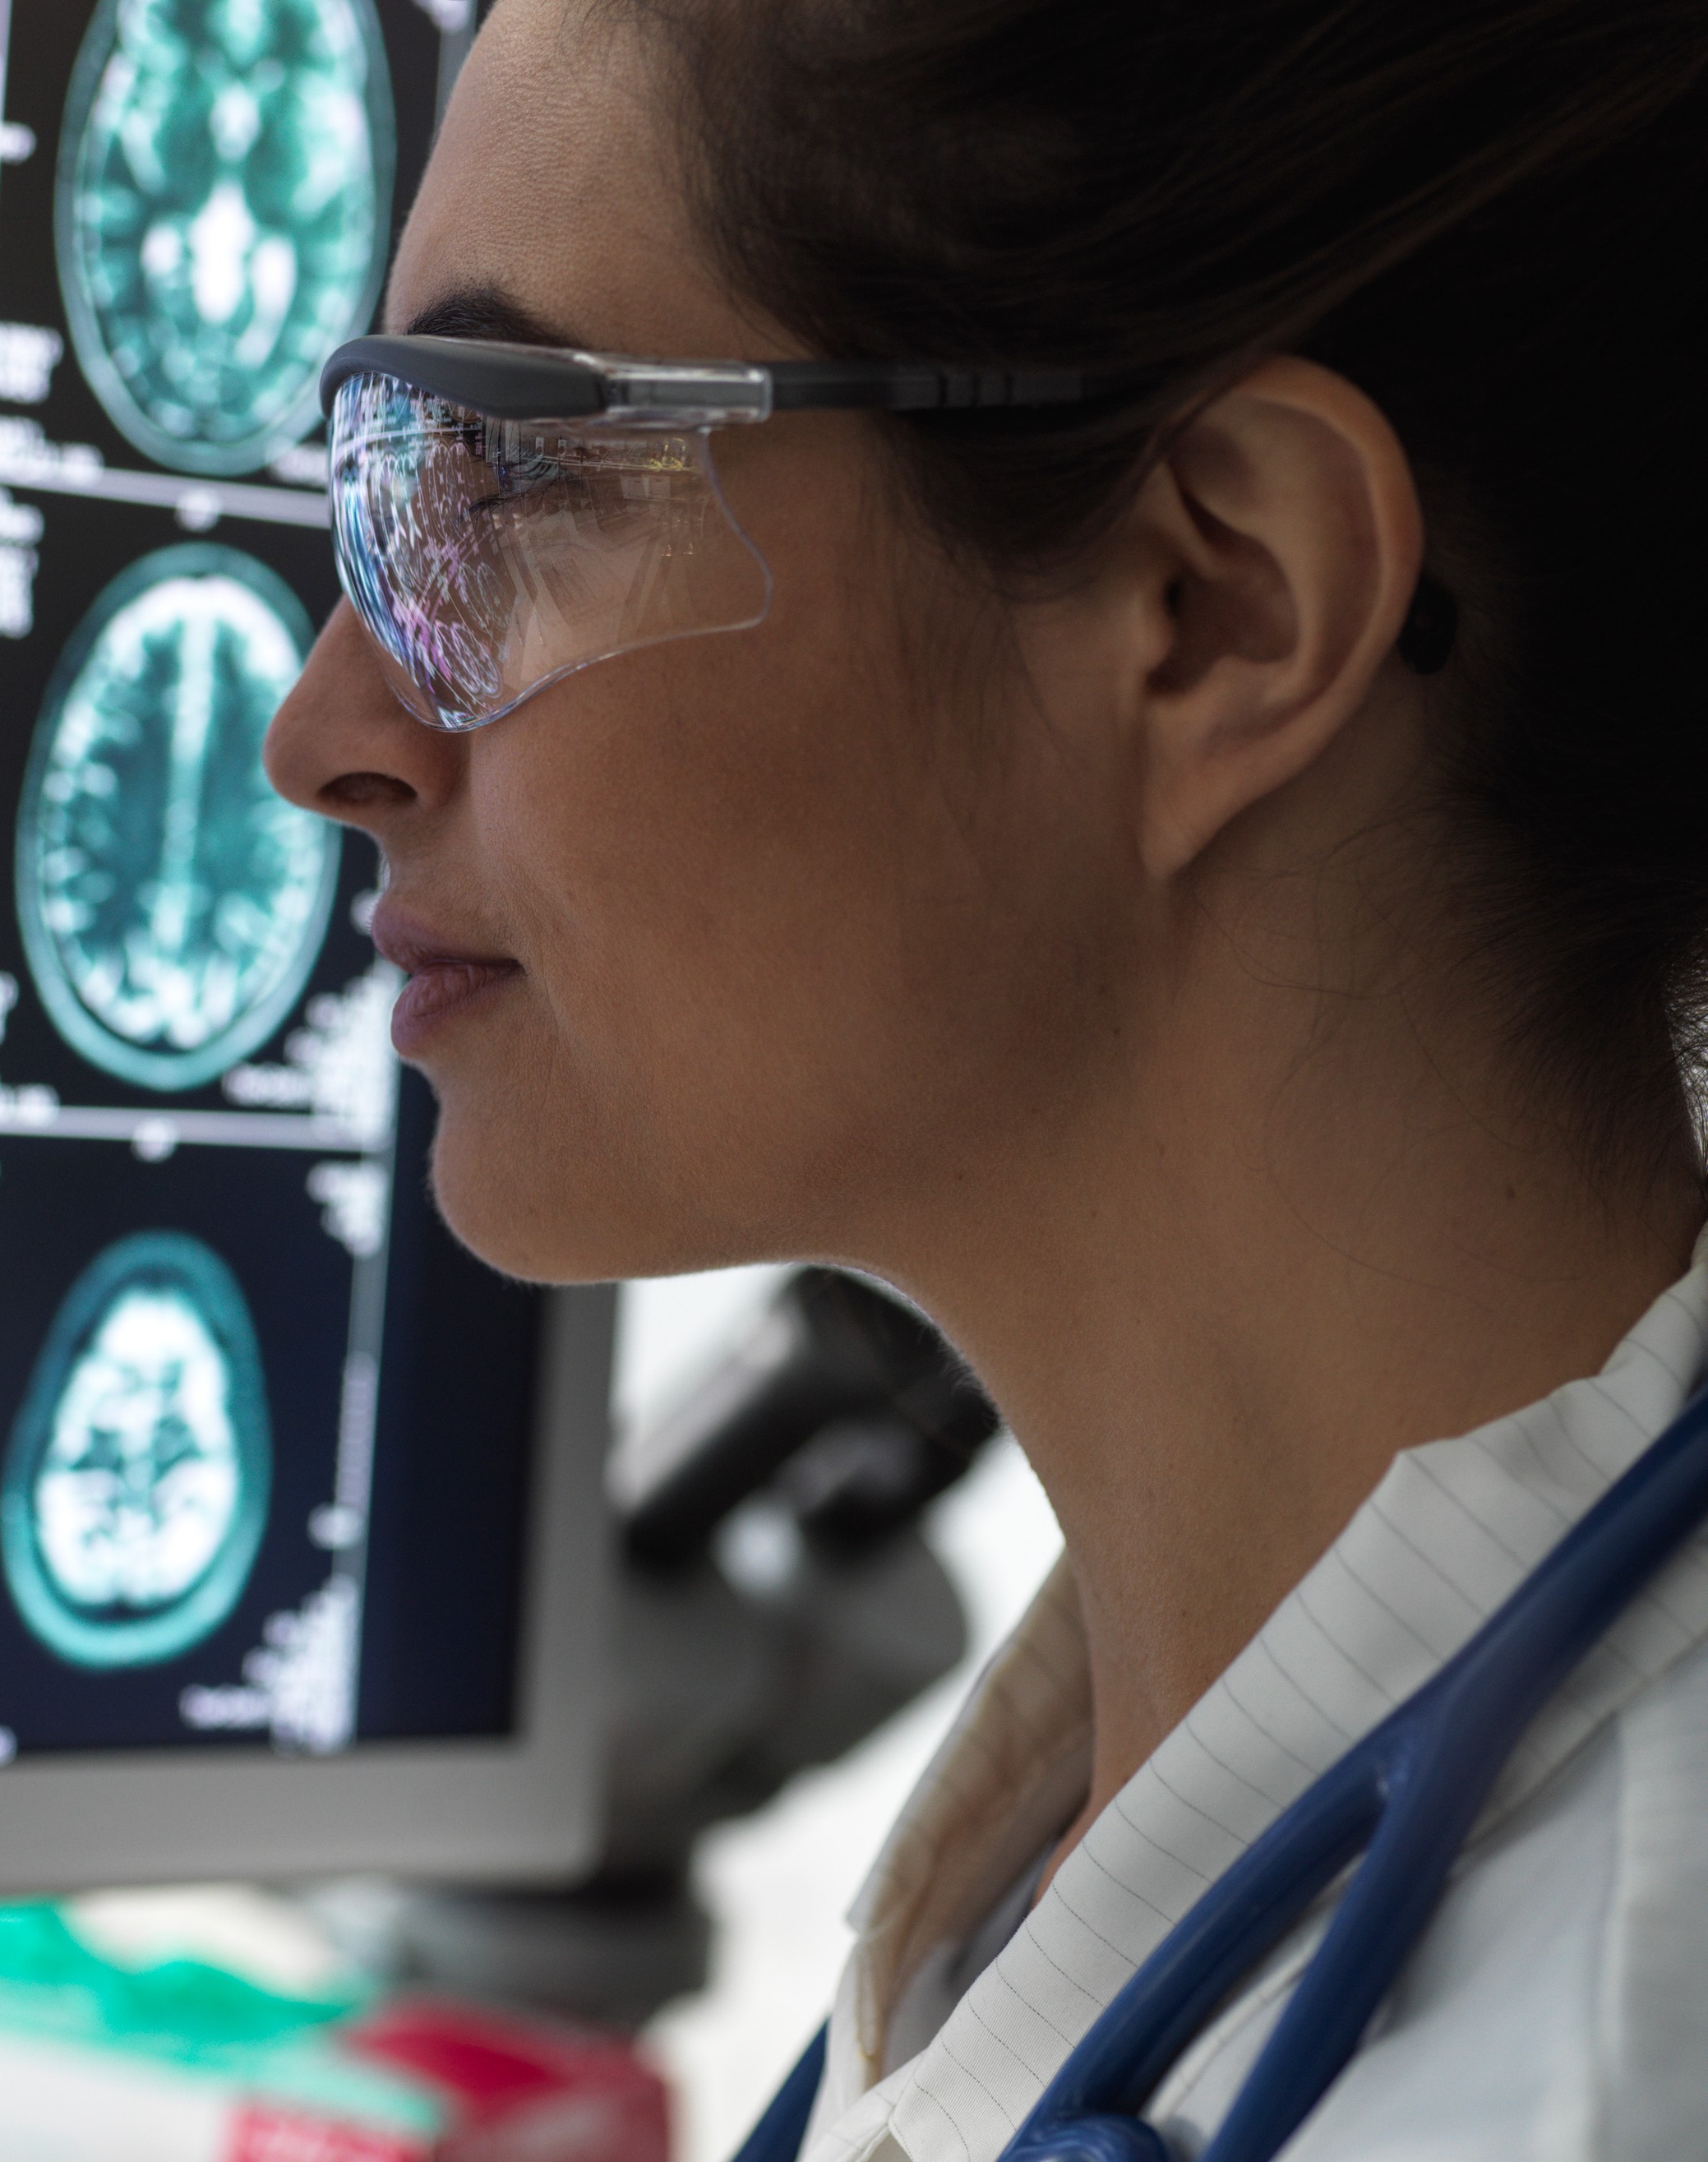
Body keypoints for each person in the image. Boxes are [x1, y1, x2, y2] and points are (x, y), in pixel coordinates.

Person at [264, 0, 1708, 2155]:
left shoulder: (1577, 2084)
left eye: (511, 475)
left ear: (1215, 605)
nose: (326, 736)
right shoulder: (1157, 1826)